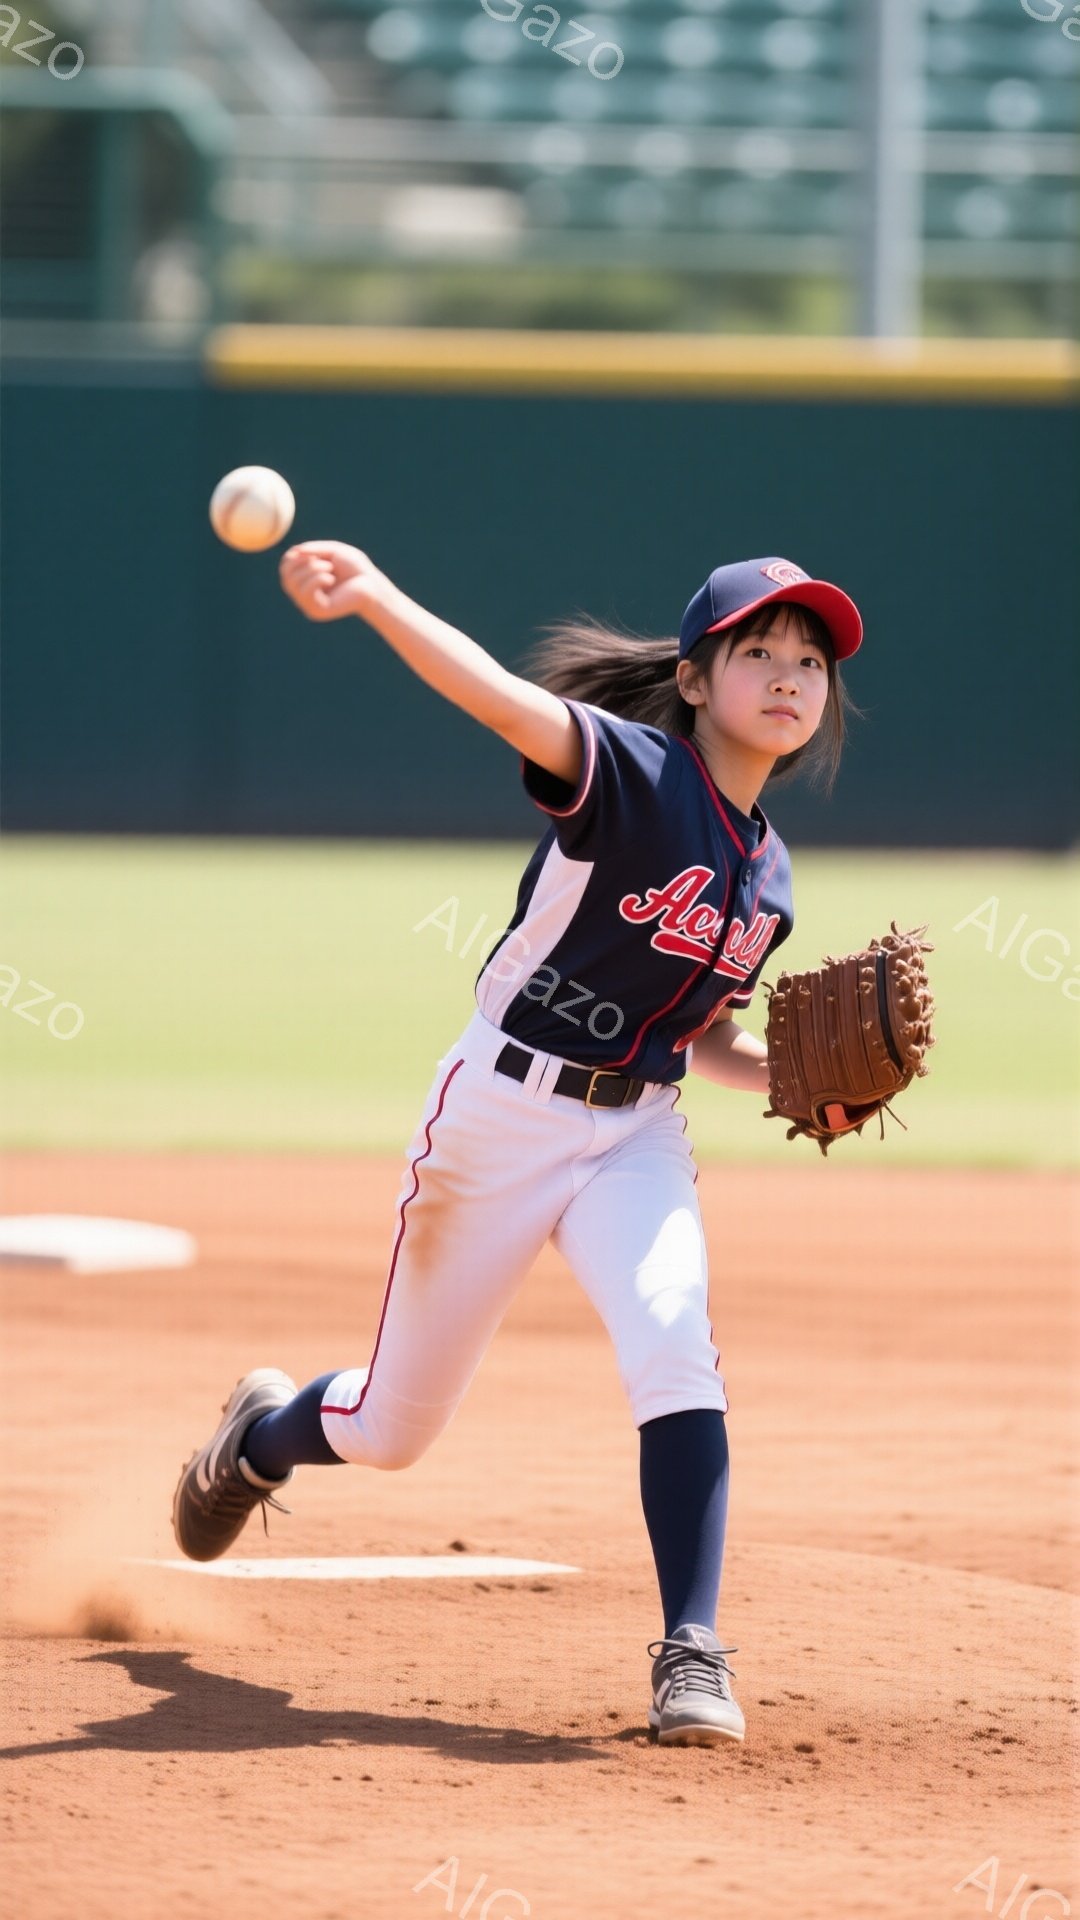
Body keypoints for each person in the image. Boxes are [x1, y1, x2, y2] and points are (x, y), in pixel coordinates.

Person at [172, 545, 863, 1748]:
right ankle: (259, 1437)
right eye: (757, 651)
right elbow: (498, 692)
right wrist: (379, 597)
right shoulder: (633, 772)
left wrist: (797, 1084)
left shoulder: (772, 875)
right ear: (697, 680)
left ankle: (691, 1650)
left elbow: (704, 1036)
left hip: (636, 1131)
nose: (789, 675)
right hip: (498, 1115)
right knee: (391, 1431)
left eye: (810, 661)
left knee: (675, 1349)